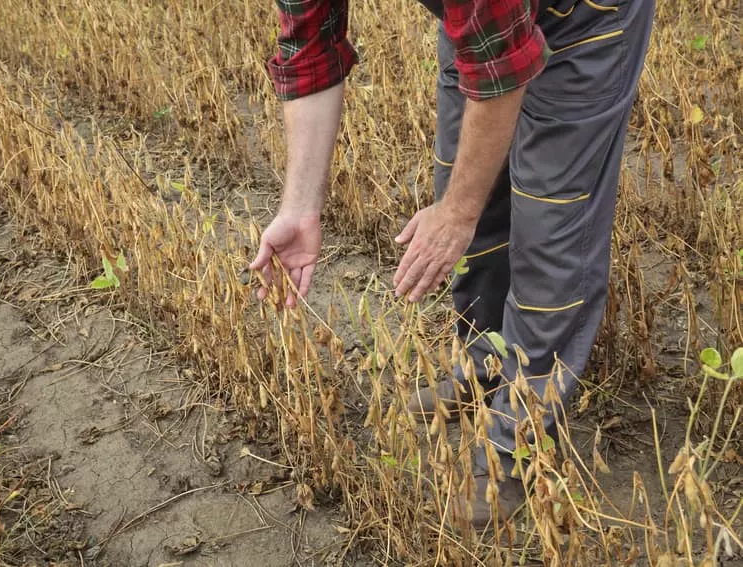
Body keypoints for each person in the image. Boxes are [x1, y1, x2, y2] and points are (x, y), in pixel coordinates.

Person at [250, 0, 654, 530]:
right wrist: (301, 207)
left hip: (584, 14)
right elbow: (309, 46)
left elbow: (503, 69)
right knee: (463, 188)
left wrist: (458, 213)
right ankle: (487, 359)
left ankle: (517, 442)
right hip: (485, 25)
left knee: (549, 233)